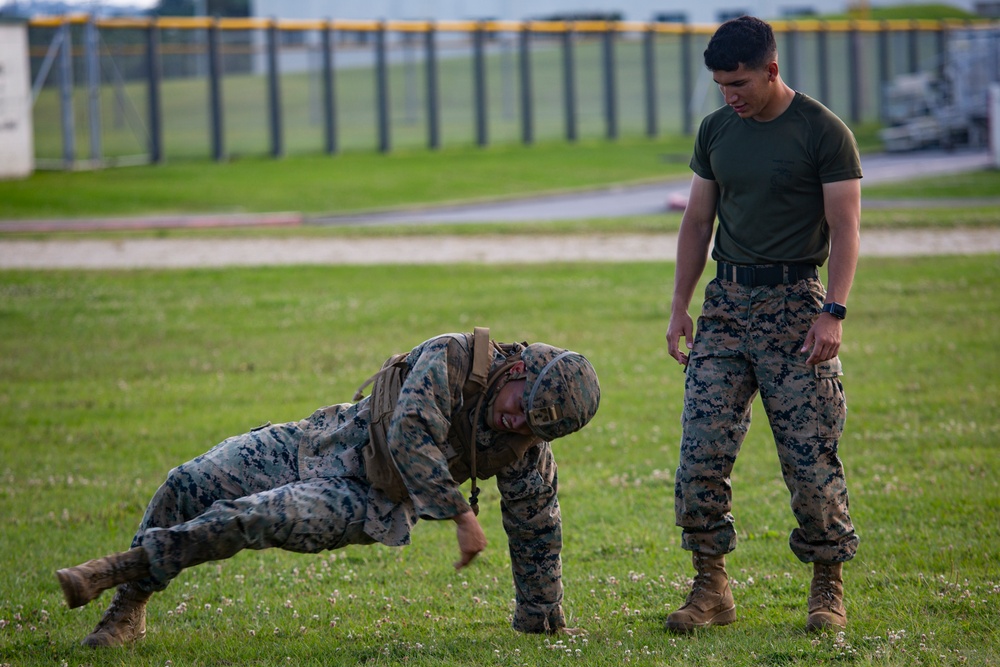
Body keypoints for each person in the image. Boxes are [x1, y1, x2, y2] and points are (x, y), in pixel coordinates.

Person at [56, 328, 601, 647]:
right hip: (320, 440)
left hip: (367, 500)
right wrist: (460, 514)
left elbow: (537, 524)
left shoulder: (525, 441)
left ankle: (113, 573)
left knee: (253, 516)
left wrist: (542, 617)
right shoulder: (456, 358)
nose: (518, 426)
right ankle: (132, 607)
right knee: (188, 481)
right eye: (519, 410)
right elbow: (409, 431)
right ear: (519, 370)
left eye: (534, 429)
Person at [663, 16, 861, 633]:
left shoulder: (823, 131)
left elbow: (847, 226)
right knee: (700, 455)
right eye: (721, 84)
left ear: (771, 69)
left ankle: (827, 586)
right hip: (725, 308)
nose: (731, 95)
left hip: (796, 309)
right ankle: (710, 588)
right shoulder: (717, 129)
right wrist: (679, 307)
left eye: (740, 82)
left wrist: (833, 310)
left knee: (809, 460)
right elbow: (697, 224)